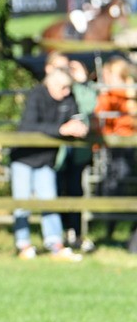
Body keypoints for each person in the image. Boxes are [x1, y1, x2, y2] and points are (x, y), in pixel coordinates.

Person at [10, 68, 87, 261]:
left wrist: (81, 127)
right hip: (24, 158)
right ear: (50, 84)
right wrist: (60, 129)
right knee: (22, 203)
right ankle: (23, 244)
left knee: (50, 201)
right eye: (63, 88)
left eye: (69, 88)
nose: (67, 92)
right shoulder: (36, 95)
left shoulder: (68, 98)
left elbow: (76, 118)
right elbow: (28, 127)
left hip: (46, 160)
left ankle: (55, 244)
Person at [93, 57, 137, 249]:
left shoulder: (123, 93)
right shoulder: (115, 94)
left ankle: (116, 226)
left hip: (128, 144)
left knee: (120, 182)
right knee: (116, 183)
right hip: (117, 145)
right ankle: (110, 226)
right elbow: (100, 114)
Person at [59, 59, 98, 251]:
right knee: (57, 190)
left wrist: (82, 82)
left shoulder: (84, 90)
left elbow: (89, 107)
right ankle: (58, 235)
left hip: (78, 152)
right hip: (57, 152)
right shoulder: (59, 86)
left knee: (75, 190)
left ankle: (75, 232)